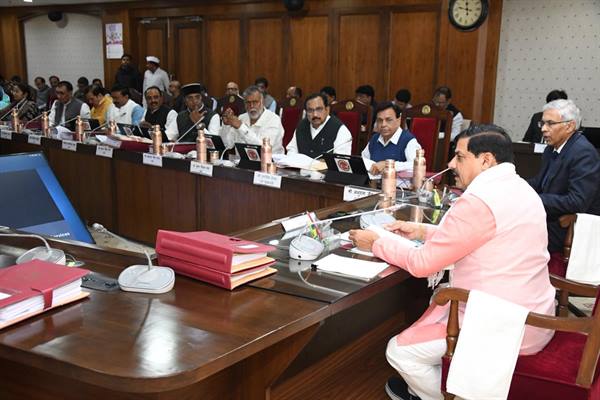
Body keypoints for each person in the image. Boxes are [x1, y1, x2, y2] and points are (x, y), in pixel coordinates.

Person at [349, 124, 555, 400]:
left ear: (486, 160)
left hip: (503, 324)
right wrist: (422, 231)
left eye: (459, 157)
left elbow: (423, 264)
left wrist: (375, 242)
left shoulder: (479, 201)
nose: (450, 164)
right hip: (536, 314)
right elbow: (480, 236)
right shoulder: (521, 188)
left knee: (400, 353)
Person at [527, 99, 600, 267]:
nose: (543, 129)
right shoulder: (551, 149)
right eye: (542, 123)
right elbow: (539, 183)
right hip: (550, 218)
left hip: (568, 227)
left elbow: (577, 201)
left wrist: (534, 199)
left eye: (550, 123)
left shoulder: (583, 153)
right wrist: (515, 186)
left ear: (570, 126)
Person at [220, 85, 284, 154]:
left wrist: (241, 127)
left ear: (262, 102)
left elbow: (263, 149)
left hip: (269, 160)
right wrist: (226, 125)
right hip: (242, 160)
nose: (252, 106)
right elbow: (228, 145)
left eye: (255, 102)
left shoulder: (273, 119)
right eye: (248, 102)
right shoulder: (242, 118)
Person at [361, 102, 421, 174]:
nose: (383, 125)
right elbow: (363, 160)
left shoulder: (408, 140)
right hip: (374, 180)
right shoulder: (375, 138)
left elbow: (416, 166)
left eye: (388, 120)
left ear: (399, 120)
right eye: (380, 120)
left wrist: (388, 165)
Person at [286, 93, 352, 157]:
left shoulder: (340, 130)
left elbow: (340, 160)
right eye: (310, 110)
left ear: (327, 110)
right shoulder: (301, 126)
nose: (315, 114)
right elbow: (292, 150)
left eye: (319, 109)